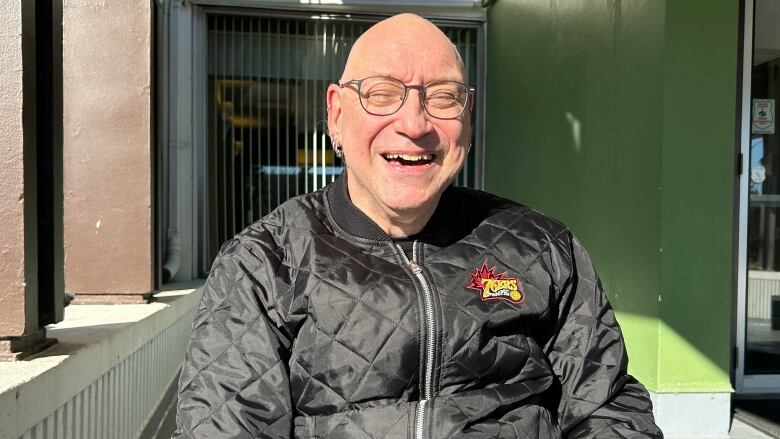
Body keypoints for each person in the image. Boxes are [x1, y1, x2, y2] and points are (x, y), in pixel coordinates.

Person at [174, 14, 663, 438]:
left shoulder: (542, 247)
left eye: (443, 97)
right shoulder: (264, 263)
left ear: (467, 120)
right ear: (336, 114)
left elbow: (607, 410)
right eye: (382, 94)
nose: (414, 123)